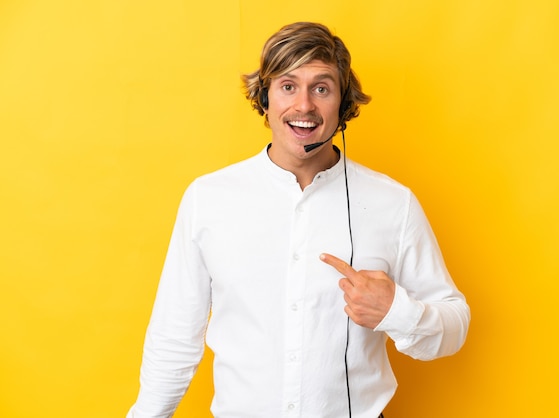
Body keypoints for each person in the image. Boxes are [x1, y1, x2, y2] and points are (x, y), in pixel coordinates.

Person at [127, 22, 470, 418]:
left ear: (342, 105)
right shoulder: (208, 199)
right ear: (264, 99)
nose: (304, 106)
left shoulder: (393, 203)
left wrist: (397, 311)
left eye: (321, 88)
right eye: (288, 86)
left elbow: (455, 323)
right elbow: (174, 337)